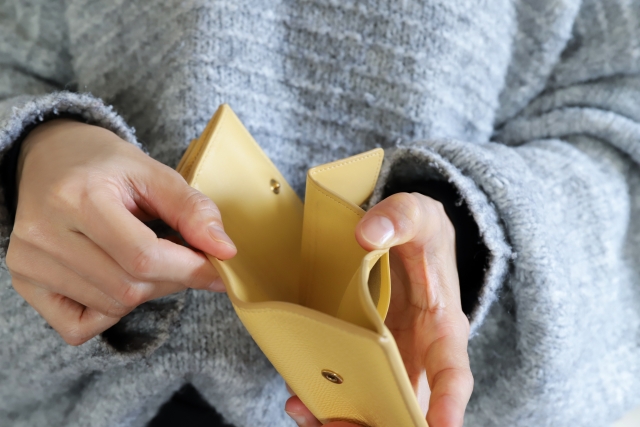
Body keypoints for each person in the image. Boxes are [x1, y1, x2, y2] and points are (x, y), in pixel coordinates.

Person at [0, 0, 639, 426]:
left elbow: (619, 114)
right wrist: (38, 146)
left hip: (422, 391)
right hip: (84, 395)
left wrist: (467, 235)